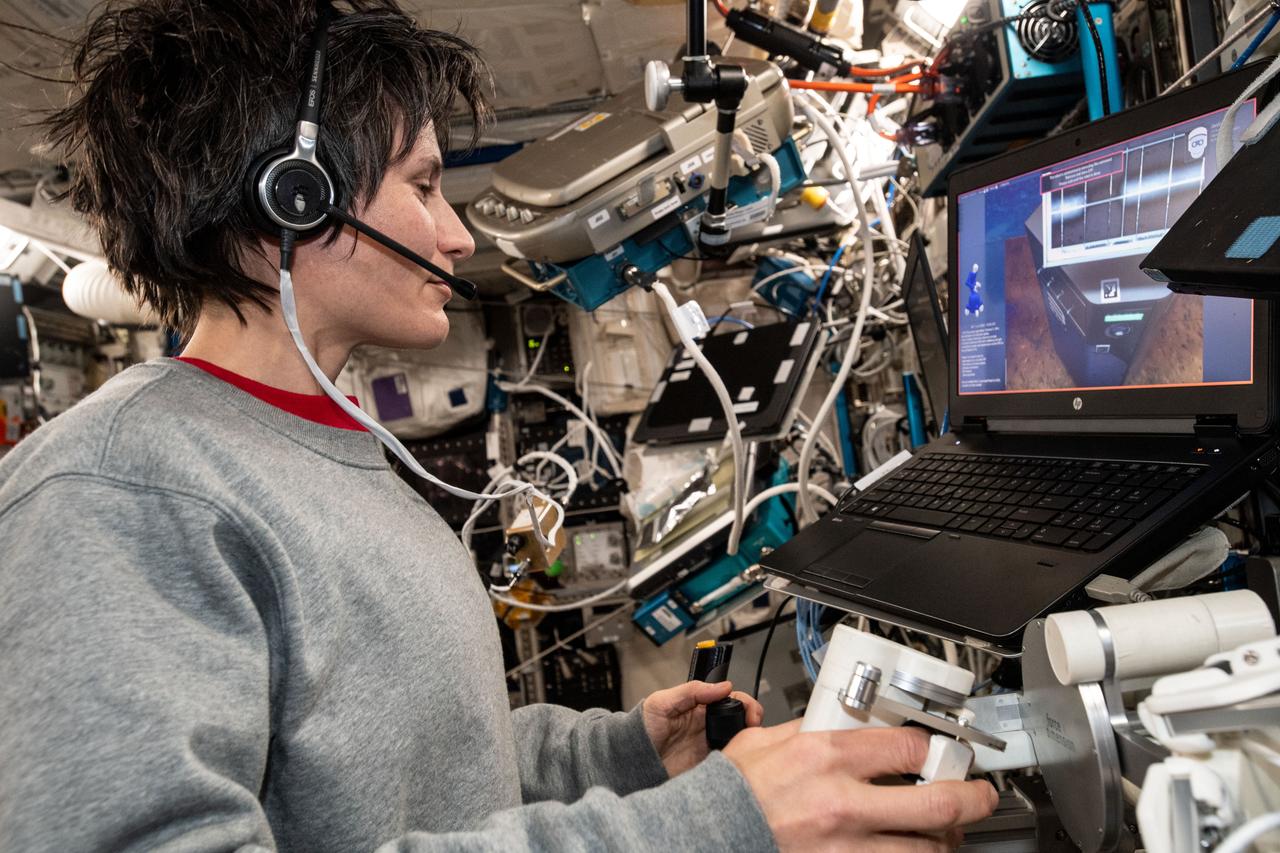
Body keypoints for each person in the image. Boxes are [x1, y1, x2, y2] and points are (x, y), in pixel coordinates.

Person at [0, 1, 998, 850]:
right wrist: (705, 828)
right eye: (425, 185)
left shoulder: (334, 455)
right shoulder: (119, 491)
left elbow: (403, 768)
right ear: (287, 204)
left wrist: (609, 754)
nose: (456, 232)